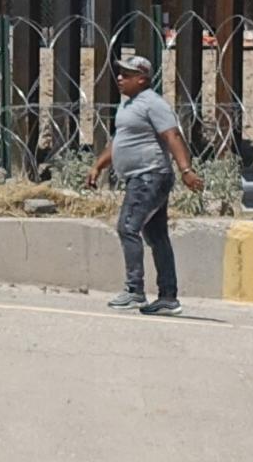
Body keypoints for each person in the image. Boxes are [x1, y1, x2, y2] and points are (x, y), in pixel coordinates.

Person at [83, 49, 204, 315]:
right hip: (141, 177)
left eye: (126, 74)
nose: (119, 77)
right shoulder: (128, 105)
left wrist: (186, 170)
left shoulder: (153, 103)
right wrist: (98, 166)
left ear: (142, 78)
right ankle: (168, 297)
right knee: (157, 236)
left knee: (128, 226)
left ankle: (134, 291)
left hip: (150, 176)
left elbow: (172, 135)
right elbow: (119, 141)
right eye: (120, 73)